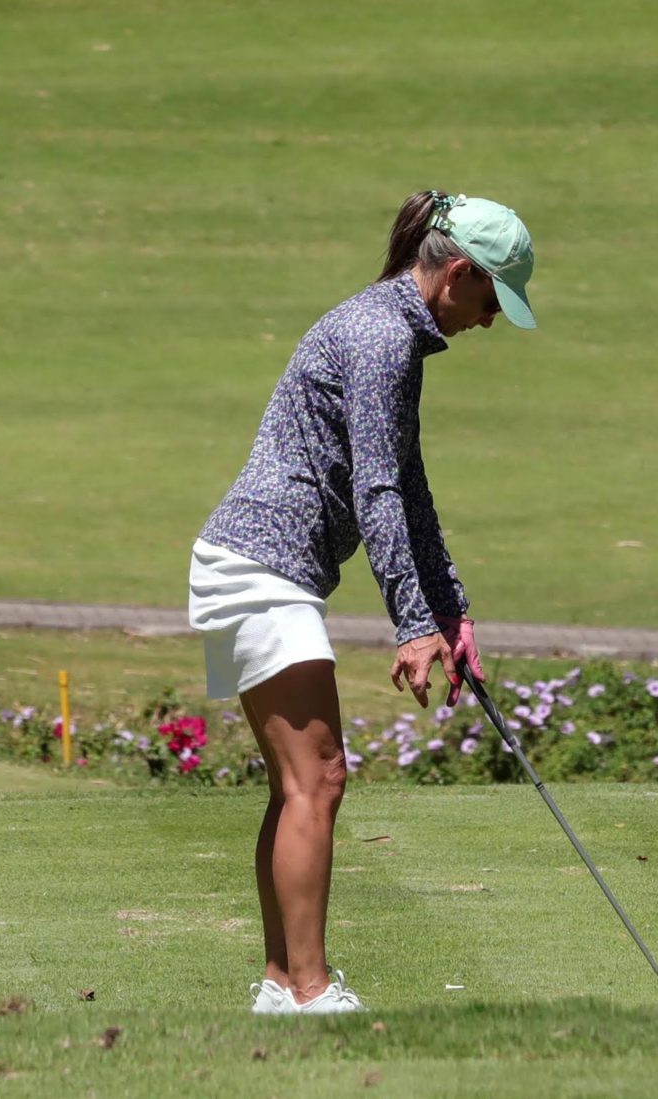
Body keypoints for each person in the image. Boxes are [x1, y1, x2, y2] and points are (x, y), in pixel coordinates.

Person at [191, 190, 537, 1015]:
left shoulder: (392, 332)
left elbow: (409, 488)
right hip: (260, 566)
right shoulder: (382, 337)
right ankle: (310, 991)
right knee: (319, 778)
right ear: (457, 273)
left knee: (300, 785)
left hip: (259, 566)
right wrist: (412, 626)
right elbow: (377, 492)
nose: (490, 319)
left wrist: (450, 611)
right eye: (492, 297)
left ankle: (282, 985)